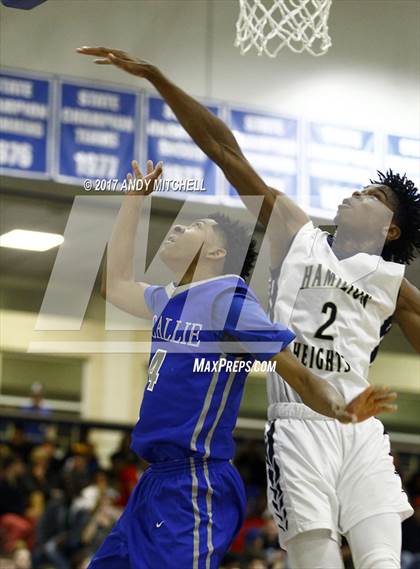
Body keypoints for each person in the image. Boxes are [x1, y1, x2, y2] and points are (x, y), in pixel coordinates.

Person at [77, 47, 420, 569]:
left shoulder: (396, 285)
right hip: (299, 423)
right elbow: (223, 149)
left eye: (371, 195)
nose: (355, 193)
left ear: (389, 229)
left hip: (361, 423)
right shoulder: (296, 234)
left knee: (382, 563)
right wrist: (158, 77)